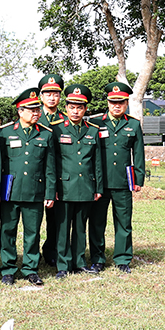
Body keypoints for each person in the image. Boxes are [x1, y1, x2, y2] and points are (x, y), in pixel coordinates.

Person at [0, 88, 56, 286]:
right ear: (20, 111)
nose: (36, 113)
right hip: (10, 191)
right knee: (8, 231)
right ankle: (8, 269)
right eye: (31, 110)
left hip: (35, 191)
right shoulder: (5, 132)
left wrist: (49, 193)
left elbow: (50, 168)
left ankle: (30, 269)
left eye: (37, 109)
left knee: (32, 233)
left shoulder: (46, 134)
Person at [87, 81, 144, 274]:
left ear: (126, 103)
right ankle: (97, 259)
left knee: (123, 223)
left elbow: (138, 154)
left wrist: (138, 180)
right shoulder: (96, 123)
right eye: (113, 102)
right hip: (99, 183)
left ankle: (122, 259)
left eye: (121, 102)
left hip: (123, 181)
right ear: (108, 102)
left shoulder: (133, 124)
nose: (116, 106)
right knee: (97, 223)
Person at [52, 83, 103, 278]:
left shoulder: (93, 130)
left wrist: (98, 187)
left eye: (79, 107)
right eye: (72, 107)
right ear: (66, 108)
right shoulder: (56, 129)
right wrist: (53, 188)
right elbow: (52, 162)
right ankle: (63, 265)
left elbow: (97, 161)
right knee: (63, 228)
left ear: (85, 109)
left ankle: (79, 262)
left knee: (81, 228)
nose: (75, 111)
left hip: (86, 186)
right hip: (64, 186)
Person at [37, 73, 64, 269]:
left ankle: (52, 252)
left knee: (55, 218)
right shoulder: (32, 115)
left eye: (55, 94)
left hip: (59, 176)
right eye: (48, 94)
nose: (52, 98)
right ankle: (31, 254)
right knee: (33, 219)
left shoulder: (66, 119)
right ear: (41, 96)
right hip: (35, 175)